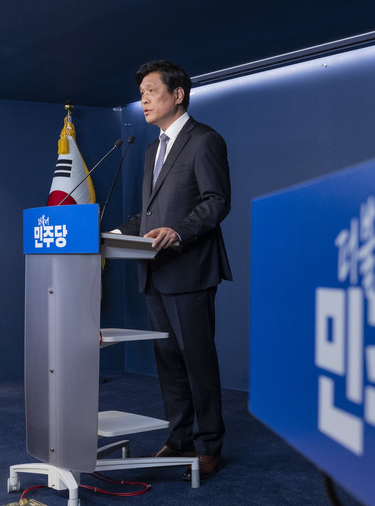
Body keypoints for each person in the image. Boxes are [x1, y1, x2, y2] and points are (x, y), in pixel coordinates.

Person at [117, 59, 232, 481]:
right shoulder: (152, 149)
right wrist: (115, 233)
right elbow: (149, 214)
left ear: (178, 94)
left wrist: (178, 232)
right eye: (141, 94)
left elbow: (216, 202)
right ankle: (180, 437)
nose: (143, 100)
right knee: (168, 361)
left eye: (151, 91)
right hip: (154, 271)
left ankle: (209, 446)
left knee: (197, 360)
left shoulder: (205, 140)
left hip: (190, 270)